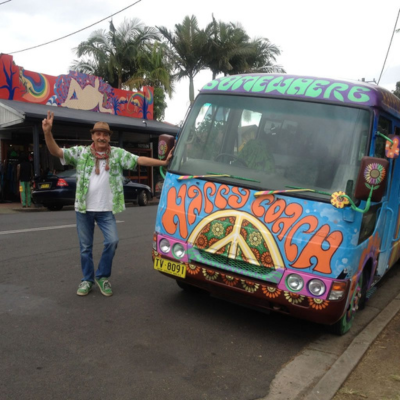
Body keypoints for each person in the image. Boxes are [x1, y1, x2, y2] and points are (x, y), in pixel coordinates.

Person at [42, 111, 174, 297]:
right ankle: (87, 280)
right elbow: (56, 151)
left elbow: (139, 159)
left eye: (105, 134)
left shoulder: (117, 154)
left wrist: (162, 162)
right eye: (98, 133)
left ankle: (102, 277)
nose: (101, 137)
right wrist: (48, 132)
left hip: (105, 210)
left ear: (109, 137)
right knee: (85, 247)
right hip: (84, 209)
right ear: (92, 136)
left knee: (112, 241)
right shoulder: (81, 153)